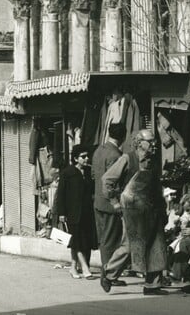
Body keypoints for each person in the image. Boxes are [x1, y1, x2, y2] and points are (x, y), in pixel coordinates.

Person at [101, 129, 169, 296]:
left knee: (156, 244)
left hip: (151, 207)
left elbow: (155, 188)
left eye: (154, 142)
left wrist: (162, 208)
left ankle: (152, 285)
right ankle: (109, 274)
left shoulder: (153, 161)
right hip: (132, 209)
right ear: (139, 143)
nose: (154, 145)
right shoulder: (127, 159)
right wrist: (114, 203)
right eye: (150, 142)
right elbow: (107, 180)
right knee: (131, 245)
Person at [57, 145, 96, 279]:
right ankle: (85, 268)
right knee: (77, 240)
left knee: (80, 241)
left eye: (87, 156)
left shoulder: (89, 172)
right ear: (75, 158)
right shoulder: (67, 173)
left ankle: (73, 267)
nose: (86, 159)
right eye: (83, 157)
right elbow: (60, 194)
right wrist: (61, 213)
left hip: (86, 213)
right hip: (72, 213)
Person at [92, 122, 127, 269]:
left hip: (98, 201)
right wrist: (116, 201)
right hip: (110, 203)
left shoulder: (99, 150)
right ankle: (109, 272)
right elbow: (113, 182)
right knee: (111, 239)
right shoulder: (115, 155)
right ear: (123, 136)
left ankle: (107, 270)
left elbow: (94, 174)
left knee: (104, 238)